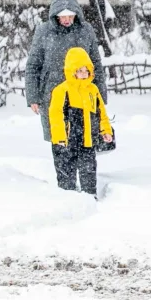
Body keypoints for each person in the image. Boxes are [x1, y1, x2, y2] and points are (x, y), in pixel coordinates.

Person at [25, 0, 107, 143]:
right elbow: (33, 66)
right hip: (53, 94)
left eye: (70, 15)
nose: (67, 19)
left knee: (84, 139)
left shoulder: (85, 31)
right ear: (55, 15)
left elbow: (95, 65)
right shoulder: (44, 32)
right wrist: (33, 97)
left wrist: (101, 95)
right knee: (59, 140)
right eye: (63, 16)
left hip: (83, 94)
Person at [49, 48, 113, 195]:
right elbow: (56, 115)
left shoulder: (93, 90)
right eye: (79, 70)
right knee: (66, 175)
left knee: (88, 172)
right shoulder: (62, 90)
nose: (84, 74)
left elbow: (101, 113)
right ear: (71, 71)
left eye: (86, 70)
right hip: (66, 142)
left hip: (87, 141)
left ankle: (90, 197)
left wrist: (105, 130)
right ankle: (68, 199)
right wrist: (59, 137)